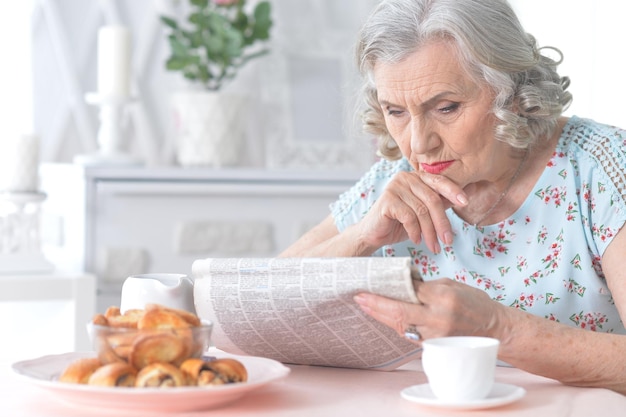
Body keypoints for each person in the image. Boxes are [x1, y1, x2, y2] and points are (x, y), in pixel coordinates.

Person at [280, 0, 626, 394]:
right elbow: (256, 301)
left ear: (511, 92)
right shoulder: (394, 184)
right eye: (396, 112)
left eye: (446, 108)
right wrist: (361, 237)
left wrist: (498, 328)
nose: (418, 143)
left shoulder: (602, 168)